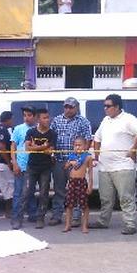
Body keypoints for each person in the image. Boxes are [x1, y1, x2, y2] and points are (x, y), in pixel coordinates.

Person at [89, 94, 137, 235]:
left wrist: (133, 150)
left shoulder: (128, 119)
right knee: (105, 197)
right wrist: (97, 155)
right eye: (104, 106)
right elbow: (97, 138)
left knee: (126, 197)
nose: (105, 109)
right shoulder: (106, 120)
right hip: (105, 166)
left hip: (123, 166)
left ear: (117, 107)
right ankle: (103, 221)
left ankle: (130, 223)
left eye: (108, 106)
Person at [49, 97, 93, 227]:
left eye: (71, 107)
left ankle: (76, 217)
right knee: (59, 190)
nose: (68, 109)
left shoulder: (83, 122)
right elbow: (51, 138)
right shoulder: (56, 120)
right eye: (66, 107)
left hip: (77, 162)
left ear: (76, 108)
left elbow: (88, 140)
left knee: (78, 190)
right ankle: (57, 215)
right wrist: (52, 153)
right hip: (60, 160)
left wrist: (82, 158)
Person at [24, 108, 57, 229]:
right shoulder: (31, 132)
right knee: (26, 192)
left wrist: (36, 147)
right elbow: (28, 149)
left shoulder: (52, 133)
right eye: (44, 118)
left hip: (46, 167)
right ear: (38, 119)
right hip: (32, 166)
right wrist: (43, 146)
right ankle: (18, 218)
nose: (47, 120)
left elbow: (50, 151)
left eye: (48, 117)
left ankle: (40, 218)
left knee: (44, 193)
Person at [11, 106, 39, 229]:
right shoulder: (18, 129)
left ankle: (33, 214)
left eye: (29, 115)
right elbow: (13, 147)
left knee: (31, 192)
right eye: (25, 115)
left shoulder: (39, 129)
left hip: (35, 165)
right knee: (18, 193)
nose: (26, 118)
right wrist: (14, 163)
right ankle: (17, 217)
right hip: (21, 166)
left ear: (35, 116)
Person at [63, 137, 94, 233]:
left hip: (82, 182)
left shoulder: (87, 157)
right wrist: (70, 162)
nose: (77, 147)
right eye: (75, 145)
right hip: (72, 182)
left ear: (85, 146)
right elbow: (65, 167)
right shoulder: (72, 156)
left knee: (84, 205)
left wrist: (90, 185)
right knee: (69, 205)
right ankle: (68, 225)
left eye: (80, 145)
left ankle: (84, 226)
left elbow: (90, 172)